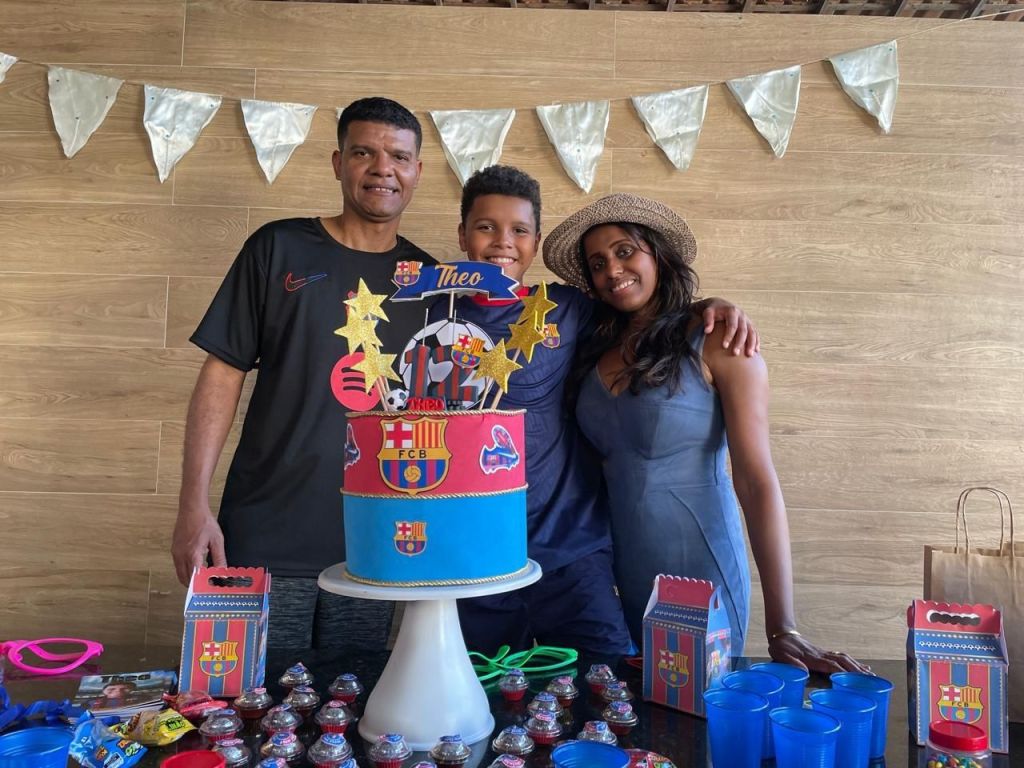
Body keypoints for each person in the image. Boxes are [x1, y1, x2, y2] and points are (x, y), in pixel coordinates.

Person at [543, 193, 868, 673]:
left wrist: (784, 627)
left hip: (702, 567)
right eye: (597, 263)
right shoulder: (591, 348)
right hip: (623, 574)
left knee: (702, 710)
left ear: (658, 255)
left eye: (625, 251)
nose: (612, 270)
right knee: (635, 710)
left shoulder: (718, 340)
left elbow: (756, 482)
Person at [443, 167, 758, 656]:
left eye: (519, 229)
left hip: (573, 551)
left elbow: (647, 313)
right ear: (463, 235)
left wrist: (708, 307)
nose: (503, 241)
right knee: (485, 692)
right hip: (474, 555)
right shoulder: (433, 317)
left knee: (608, 683)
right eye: (486, 227)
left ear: (535, 242)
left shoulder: (565, 308)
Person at [171, 97, 435, 650]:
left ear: (417, 171)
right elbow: (222, 373)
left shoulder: (430, 282)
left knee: (354, 692)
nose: (382, 168)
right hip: (263, 532)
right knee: (244, 692)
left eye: (398, 157)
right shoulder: (278, 248)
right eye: (363, 153)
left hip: (375, 542)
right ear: (338, 163)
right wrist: (193, 504)